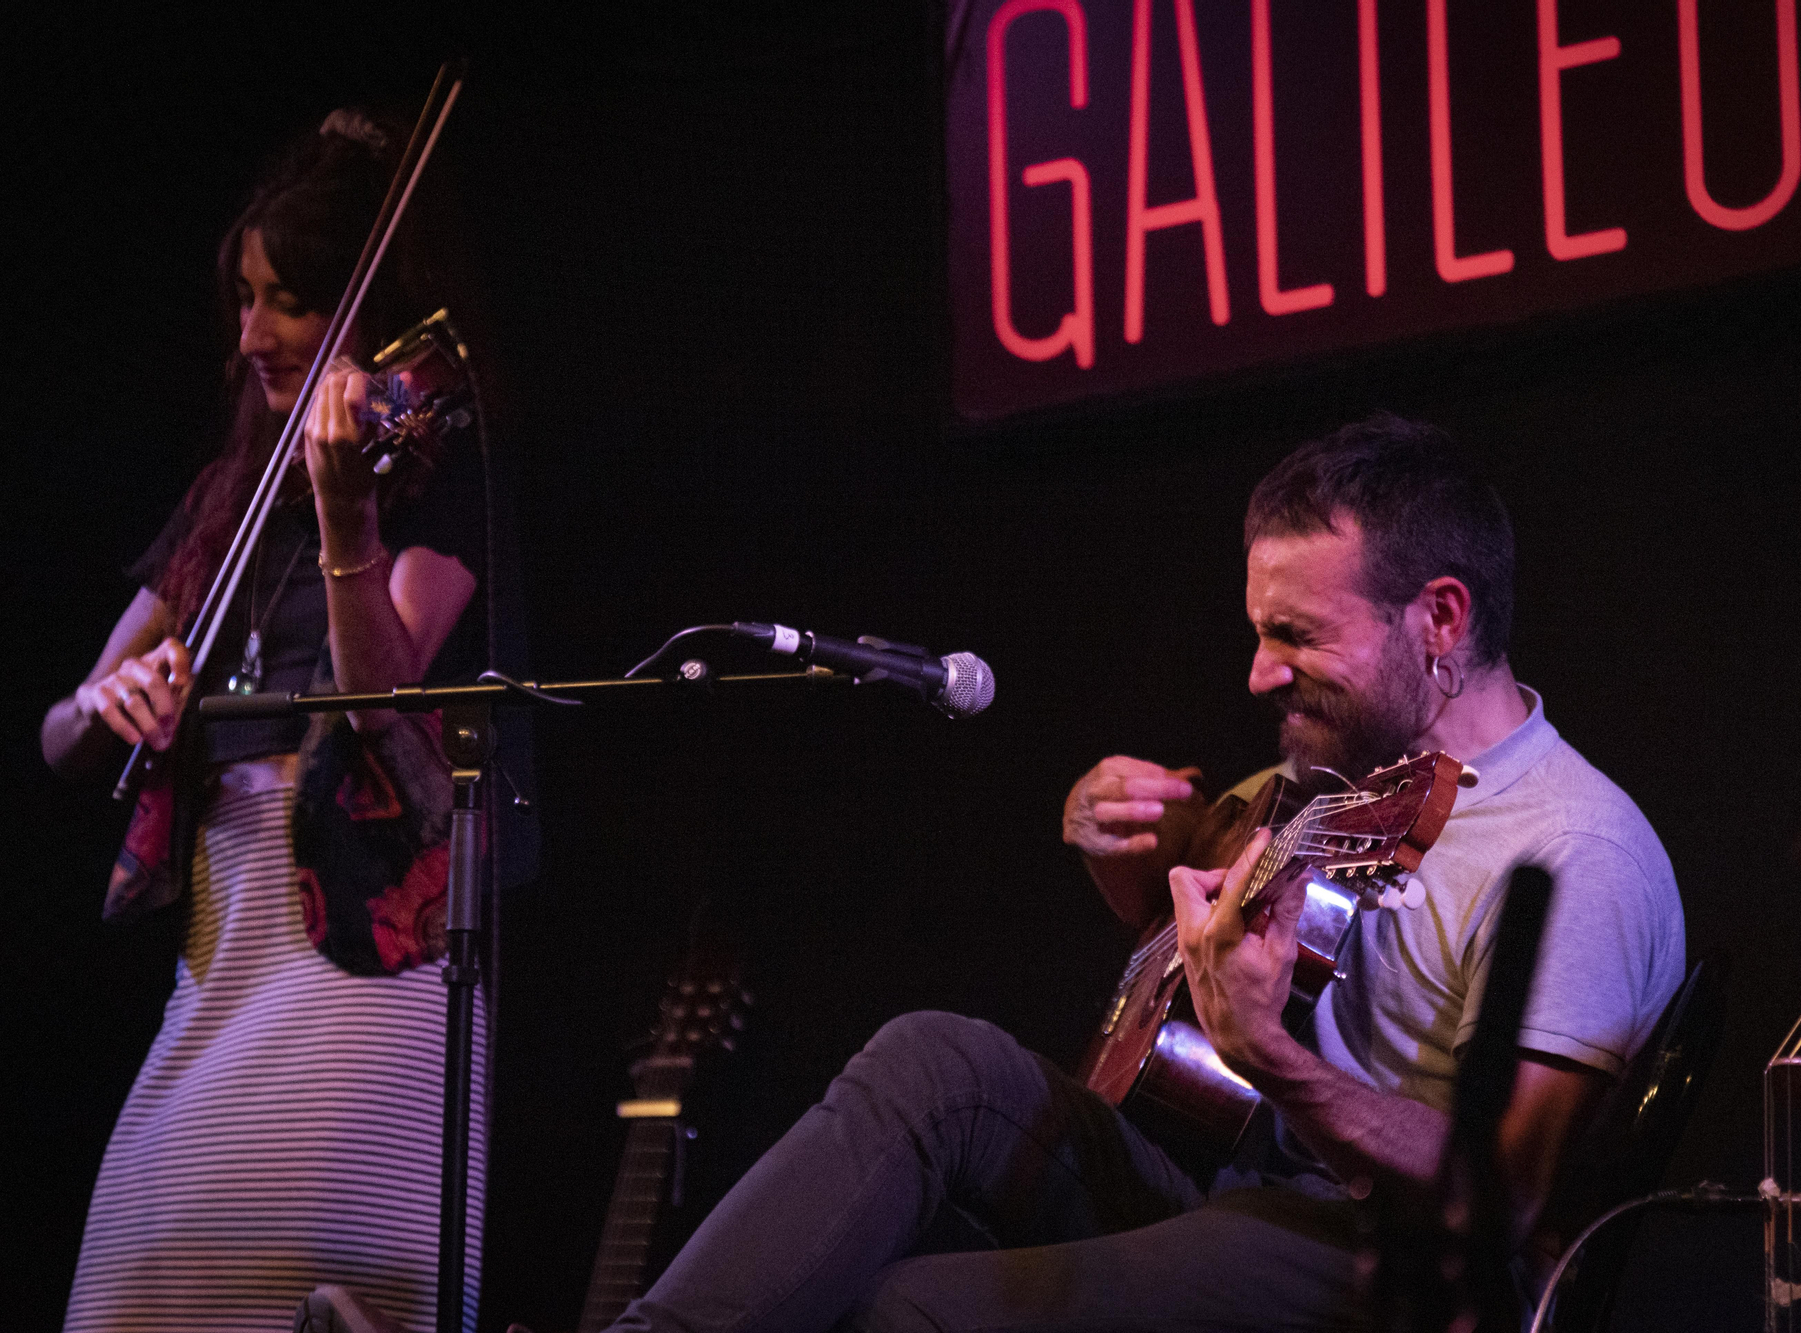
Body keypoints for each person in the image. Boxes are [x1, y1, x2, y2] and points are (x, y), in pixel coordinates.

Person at [609, 414, 1686, 1332]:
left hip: (1394, 1265)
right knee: (932, 1063)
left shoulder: (1572, 852)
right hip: (1249, 1182)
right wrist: (1114, 849)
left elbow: (1509, 1196)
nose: (1257, 671)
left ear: (1438, 618)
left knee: (915, 1309)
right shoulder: (1346, 780)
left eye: (1293, 634)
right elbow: (1183, 929)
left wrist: (1269, 1053)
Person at [43, 110, 504, 1333]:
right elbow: (59, 728)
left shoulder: (432, 460)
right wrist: (110, 699)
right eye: (243, 299)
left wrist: (347, 522)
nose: (251, 335)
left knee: (302, 1289)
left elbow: (385, 708)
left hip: (356, 966)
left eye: (288, 301)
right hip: (219, 955)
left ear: (367, 308)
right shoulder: (223, 499)